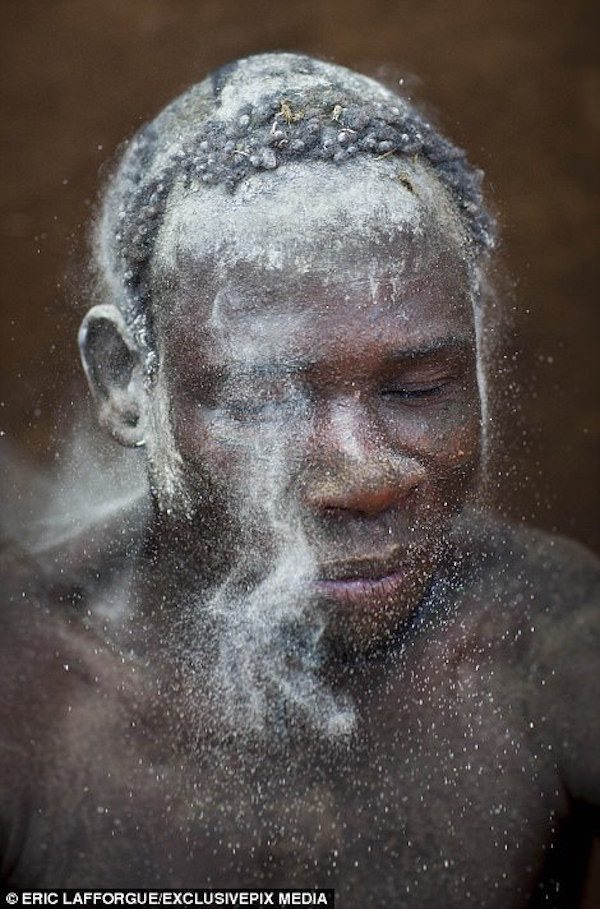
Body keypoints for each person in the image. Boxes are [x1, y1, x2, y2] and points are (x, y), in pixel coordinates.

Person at [1, 52, 598, 907]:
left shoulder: (551, 639)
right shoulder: (21, 686)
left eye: (420, 388)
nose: (363, 476)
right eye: (260, 398)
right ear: (129, 382)